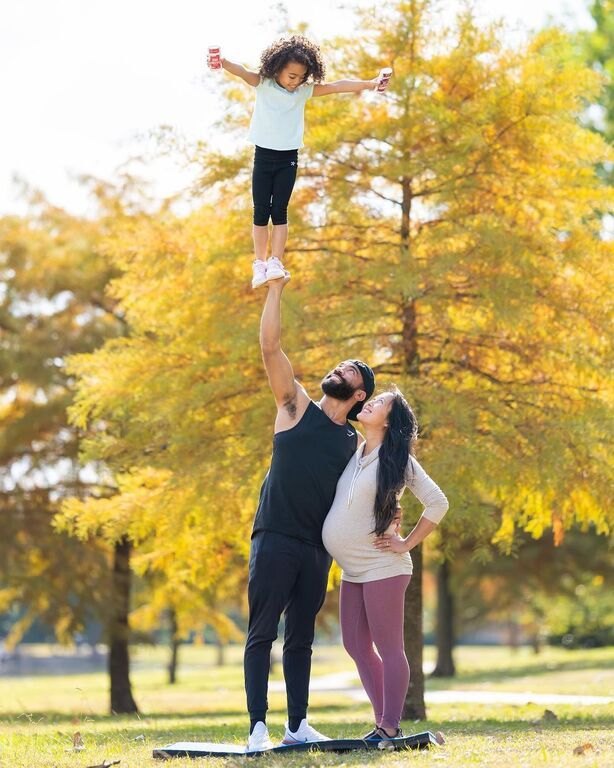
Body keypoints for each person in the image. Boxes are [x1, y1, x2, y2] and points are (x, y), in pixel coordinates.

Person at [244, 272, 375, 751]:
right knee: (262, 634)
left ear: (359, 395)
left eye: (351, 371)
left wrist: (392, 517)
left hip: (316, 550)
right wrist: (275, 291)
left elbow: (369, 492)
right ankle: (257, 728)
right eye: (341, 366)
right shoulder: (296, 405)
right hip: (274, 537)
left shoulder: (354, 443)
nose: (340, 370)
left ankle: (296, 725)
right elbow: (270, 348)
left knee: (300, 640)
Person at [207, 35, 391, 288]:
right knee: (260, 212)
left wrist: (372, 84)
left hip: (288, 159)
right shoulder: (264, 84)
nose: (296, 82)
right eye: (291, 76)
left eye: (301, 78)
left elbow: (338, 86)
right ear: (277, 68)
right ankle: (259, 264)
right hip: (263, 156)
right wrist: (222, 61)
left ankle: (275, 261)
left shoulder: (303, 92)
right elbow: (242, 72)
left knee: (279, 211)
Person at [322, 386, 449, 745]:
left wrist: (407, 542)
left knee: (389, 647)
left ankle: (390, 726)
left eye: (379, 403)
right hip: (353, 569)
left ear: (389, 420)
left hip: (384, 566)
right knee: (355, 645)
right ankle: (383, 724)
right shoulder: (355, 450)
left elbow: (438, 503)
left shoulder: (399, 460)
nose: (370, 403)